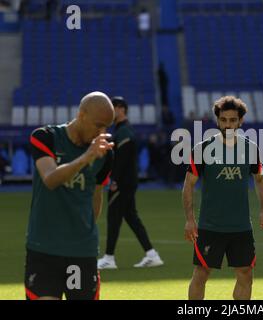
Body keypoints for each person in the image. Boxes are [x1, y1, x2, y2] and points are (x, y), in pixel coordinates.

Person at [24, 92, 115, 300]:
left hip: (82, 252)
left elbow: (96, 196)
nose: (102, 132)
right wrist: (87, 157)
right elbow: (50, 179)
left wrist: (84, 235)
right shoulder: (45, 137)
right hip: (44, 248)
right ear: (81, 114)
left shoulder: (106, 154)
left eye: (107, 127)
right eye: (98, 125)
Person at [182, 96, 263, 300]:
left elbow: (259, 179)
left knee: (245, 274)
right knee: (201, 274)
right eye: (224, 120)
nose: (228, 125)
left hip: (240, 227)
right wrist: (189, 219)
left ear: (240, 121)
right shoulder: (203, 149)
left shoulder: (250, 148)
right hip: (209, 226)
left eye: (232, 120)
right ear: (217, 121)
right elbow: (188, 185)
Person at [97, 97, 163, 269]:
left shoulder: (124, 131)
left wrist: (115, 180)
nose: (110, 111)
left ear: (121, 109)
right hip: (127, 181)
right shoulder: (121, 130)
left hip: (123, 182)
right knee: (131, 218)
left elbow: (123, 159)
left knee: (113, 218)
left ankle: (109, 258)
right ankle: (152, 254)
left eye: (113, 107)